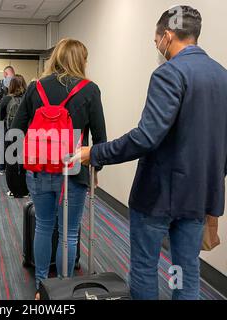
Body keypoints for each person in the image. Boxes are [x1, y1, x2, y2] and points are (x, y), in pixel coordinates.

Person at [73, 6, 227, 300]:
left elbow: (146, 137)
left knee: (145, 267)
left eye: (156, 40)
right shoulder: (223, 76)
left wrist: (95, 153)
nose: (157, 47)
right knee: (186, 270)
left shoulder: (169, 73)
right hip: (199, 196)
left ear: (167, 36)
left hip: (159, 196)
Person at [11, 38, 107, 299]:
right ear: (81, 61)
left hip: (40, 170)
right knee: (69, 232)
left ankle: (43, 286)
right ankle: (64, 287)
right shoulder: (90, 90)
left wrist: (27, 158)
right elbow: (100, 139)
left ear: (56, 57)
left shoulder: (36, 88)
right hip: (74, 172)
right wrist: (94, 171)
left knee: (43, 225)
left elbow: (15, 129)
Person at [0, 74, 29, 198]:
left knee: (11, 164)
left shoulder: (6, 99)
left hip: (11, 135)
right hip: (27, 135)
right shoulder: (29, 98)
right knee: (26, 162)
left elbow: (0, 118)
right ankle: (26, 190)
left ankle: (14, 191)